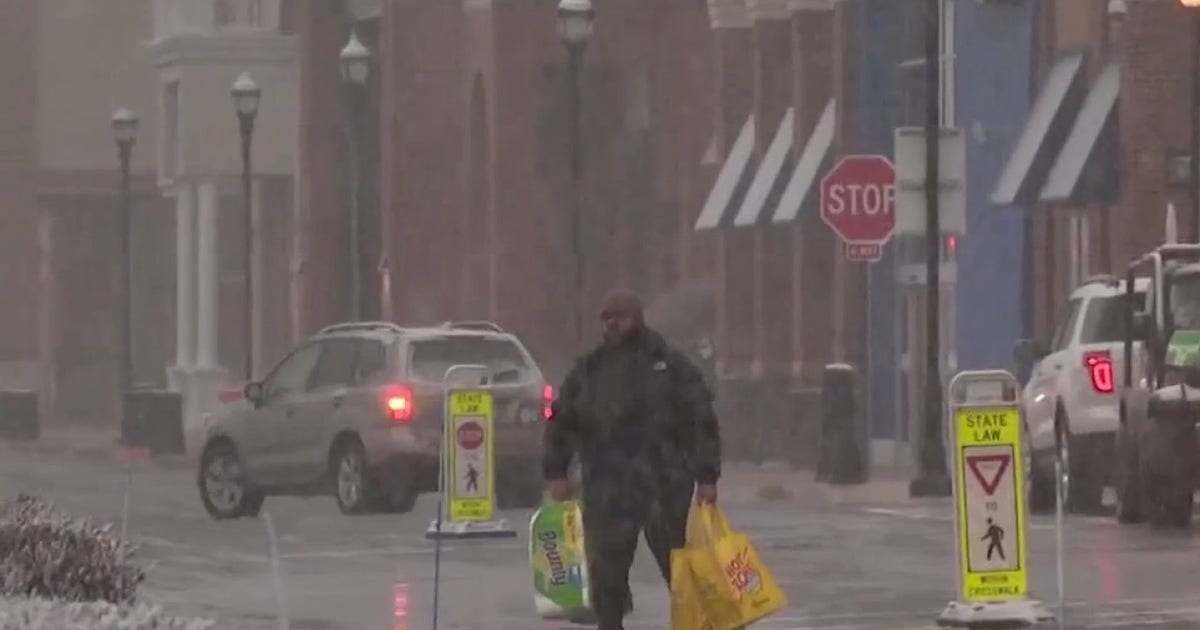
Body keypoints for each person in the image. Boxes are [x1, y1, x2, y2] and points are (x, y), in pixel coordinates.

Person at [543, 289, 722, 630]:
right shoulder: (590, 369)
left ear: (636, 319)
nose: (613, 324)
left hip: (664, 482)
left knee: (680, 567)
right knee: (607, 571)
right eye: (607, 318)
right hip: (608, 485)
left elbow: (701, 419)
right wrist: (556, 470)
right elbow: (562, 419)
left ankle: (704, 623)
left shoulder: (669, 365)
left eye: (620, 317)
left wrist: (707, 476)